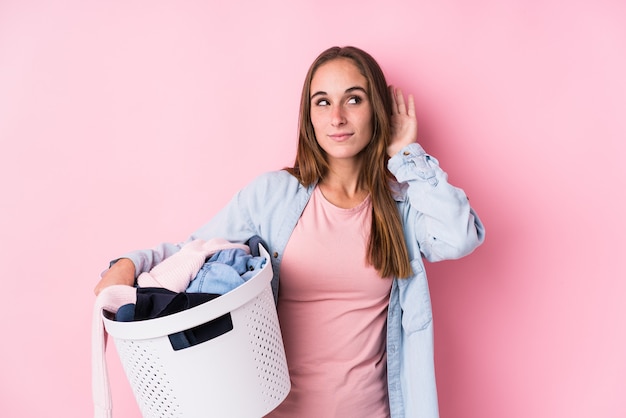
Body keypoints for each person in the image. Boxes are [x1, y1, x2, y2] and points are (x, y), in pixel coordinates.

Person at [94, 46, 485, 418]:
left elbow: (460, 236)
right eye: (322, 101)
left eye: (353, 99)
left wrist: (406, 156)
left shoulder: (400, 206)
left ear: (376, 110)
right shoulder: (273, 195)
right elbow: (190, 252)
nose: (337, 117)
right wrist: (129, 263)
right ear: (309, 116)